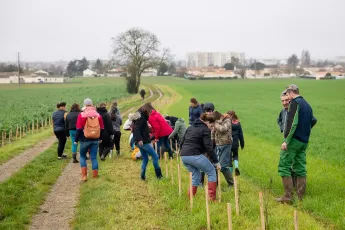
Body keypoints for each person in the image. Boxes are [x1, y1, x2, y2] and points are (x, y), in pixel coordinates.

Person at [276, 84, 317, 202]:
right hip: (304, 141)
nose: (287, 99)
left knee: (284, 166)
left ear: (290, 92)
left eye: (287, 95)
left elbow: (292, 123)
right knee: (300, 168)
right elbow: (313, 120)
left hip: (293, 140)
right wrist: (304, 130)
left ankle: (288, 197)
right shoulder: (307, 105)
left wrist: (286, 140)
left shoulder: (295, 103)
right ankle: (300, 197)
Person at [180, 113, 220, 201]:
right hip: (194, 155)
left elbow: (182, 141)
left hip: (183, 156)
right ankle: (212, 199)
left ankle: (190, 197)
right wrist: (216, 162)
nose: (212, 128)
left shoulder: (190, 127)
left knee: (196, 175)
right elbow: (209, 147)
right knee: (211, 171)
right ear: (207, 122)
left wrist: (181, 151)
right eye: (212, 125)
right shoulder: (205, 130)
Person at [75, 98, 104, 181]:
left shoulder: (81, 115)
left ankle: (84, 176)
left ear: (84, 105)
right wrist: (100, 138)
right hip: (95, 139)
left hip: (84, 140)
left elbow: (79, 129)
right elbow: (102, 128)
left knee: (83, 156)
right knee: (94, 157)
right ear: (92, 104)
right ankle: (95, 176)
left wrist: (76, 140)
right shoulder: (98, 115)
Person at [131, 104, 163, 180]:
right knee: (155, 156)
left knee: (145, 158)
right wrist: (139, 140)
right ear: (146, 109)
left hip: (141, 141)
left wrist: (148, 128)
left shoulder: (141, 116)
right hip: (143, 141)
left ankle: (142, 176)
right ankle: (159, 176)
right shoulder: (141, 118)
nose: (150, 113)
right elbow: (136, 129)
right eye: (149, 111)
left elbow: (140, 128)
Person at [212, 111, 234, 188]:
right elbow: (213, 132)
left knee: (223, 166)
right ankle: (215, 184)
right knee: (215, 165)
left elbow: (223, 129)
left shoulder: (227, 120)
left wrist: (216, 124)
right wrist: (212, 141)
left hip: (226, 144)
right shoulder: (216, 122)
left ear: (221, 117)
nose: (217, 122)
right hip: (218, 145)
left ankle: (231, 184)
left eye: (217, 120)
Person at [228, 110, 244, 176]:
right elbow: (241, 135)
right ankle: (236, 167)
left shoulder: (227, 123)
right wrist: (242, 144)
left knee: (229, 158)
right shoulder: (238, 123)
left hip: (228, 143)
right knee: (235, 156)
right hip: (235, 143)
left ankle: (230, 174)